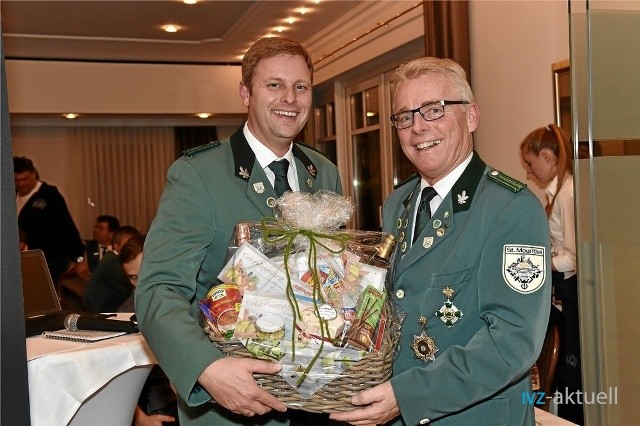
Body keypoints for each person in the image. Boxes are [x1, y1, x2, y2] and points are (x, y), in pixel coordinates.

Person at [330, 57, 552, 425]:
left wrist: (407, 395)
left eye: (434, 110)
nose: (418, 127)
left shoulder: (511, 208)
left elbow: (512, 342)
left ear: (472, 117)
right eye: (404, 116)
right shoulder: (397, 203)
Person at [135, 36, 342, 425]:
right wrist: (208, 369)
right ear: (246, 93)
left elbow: (334, 281)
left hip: (314, 398)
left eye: (301, 87)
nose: (290, 99)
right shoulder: (199, 174)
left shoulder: (324, 172)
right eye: (274, 85)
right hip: (229, 403)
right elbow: (158, 289)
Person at [521, 124, 582, 424]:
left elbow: (574, 257)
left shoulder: (567, 195)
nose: (529, 172)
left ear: (547, 156)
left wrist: (538, 263)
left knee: (572, 375)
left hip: (572, 295)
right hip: (563, 293)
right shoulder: (558, 193)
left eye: (530, 164)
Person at [117, 234, 179, 426]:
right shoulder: (126, 314)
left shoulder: (180, 293)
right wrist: (140, 418)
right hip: (163, 409)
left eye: (144, 271)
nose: (141, 282)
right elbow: (116, 374)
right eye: (133, 277)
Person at [14, 156, 85, 284]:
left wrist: (79, 258)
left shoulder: (49, 195)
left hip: (47, 260)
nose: (21, 184)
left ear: (33, 173)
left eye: (24, 179)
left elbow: (67, 228)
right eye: (16, 180)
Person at [84, 225, 141, 313]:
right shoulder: (112, 261)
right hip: (100, 309)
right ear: (115, 245)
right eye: (128, 243)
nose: (131, 247)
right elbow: (126, 289)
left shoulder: (110, 258)